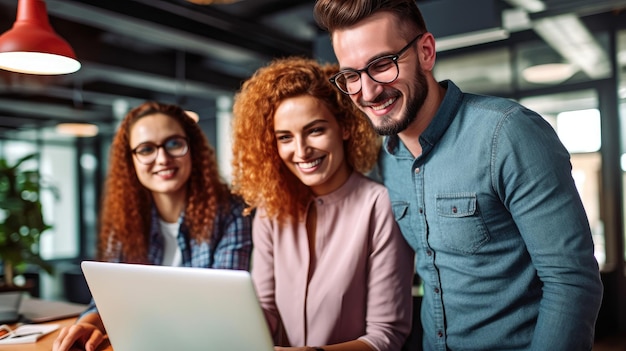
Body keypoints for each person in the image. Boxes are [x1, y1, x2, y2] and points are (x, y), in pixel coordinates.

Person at [313, 1, 604, 350]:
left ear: (425, 52)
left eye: (382, 65)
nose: (369, 90)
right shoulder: (384, 160)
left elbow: (572, 282)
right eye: (352, 75)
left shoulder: (508, 134)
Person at [231, 56, 414, 351]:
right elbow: (265, 309)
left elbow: (386, 335)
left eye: (315, 130)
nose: (301, 151)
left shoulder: (378, 206)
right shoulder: (270, 210)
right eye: (285, 137)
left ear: (344, 127)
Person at [52, 101, 253, 351]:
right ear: (131, 160)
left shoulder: (232, 212)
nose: (162, 158)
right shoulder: (126, 218)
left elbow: (225, 308)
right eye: (146, 149)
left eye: (174, 144)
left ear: (193, 149)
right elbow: (108, 300)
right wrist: (89, 324)